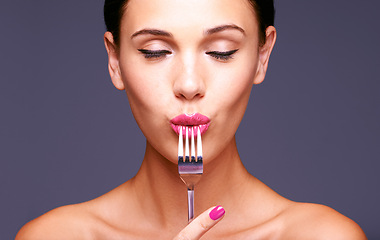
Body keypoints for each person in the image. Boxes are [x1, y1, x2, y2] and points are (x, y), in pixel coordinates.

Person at [16, 0, 367, 239]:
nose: (188, 84)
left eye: (221, 51)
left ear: (262, 55)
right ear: (115, 60)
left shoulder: (321, 236)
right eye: (154, 51)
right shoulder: (54, 236)